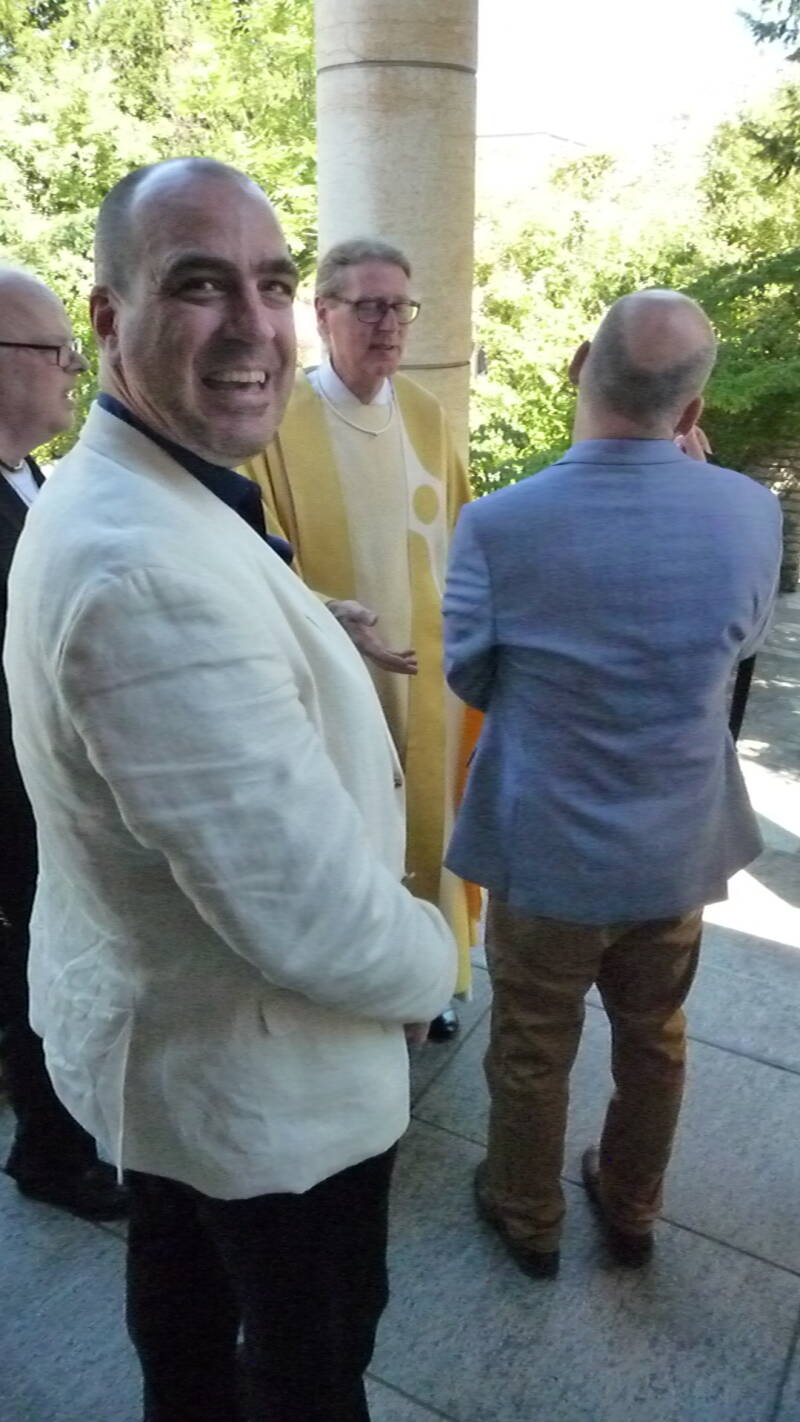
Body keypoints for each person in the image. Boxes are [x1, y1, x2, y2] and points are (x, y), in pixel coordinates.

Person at [4, 158, 456, 1422]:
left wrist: (304, 620)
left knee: (185, 1307)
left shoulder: (123, 487)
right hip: (263, 1088)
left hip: (173, 1056)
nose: (255, 325)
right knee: (311, 1353)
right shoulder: (138, 569)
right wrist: (435, 963)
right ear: (110, 316)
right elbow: (310, 919)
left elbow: (196, 624)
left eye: (271, 283)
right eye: (200, 285)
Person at [443, 289, 781, 1279]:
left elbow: (470, 675)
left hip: (545, 845)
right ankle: (631, 1208)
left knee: (531, 1042)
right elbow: (739, 645)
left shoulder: (498, 524)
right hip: (674, 846)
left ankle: (526, 1213)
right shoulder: (750, 512)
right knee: (654, 1033)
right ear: (693, 407)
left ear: (580, 365)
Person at [242, 238, 478, 1039]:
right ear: (323, 314)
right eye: (370, 306)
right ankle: (364, 990)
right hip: (338, 668)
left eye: (400, 307)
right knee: (358, 830)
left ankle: (432, 981)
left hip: (430, 672)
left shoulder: (426, 414)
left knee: (430, 830)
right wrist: (333, 616)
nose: (390, 325)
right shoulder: (279, 422)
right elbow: (257, 552)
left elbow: (461, 535)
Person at [0, 268, 127, 1221]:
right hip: (13, 805)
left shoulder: (34, 476)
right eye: (57, 351)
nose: (74, 369)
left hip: (49, 789)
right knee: (32, 969)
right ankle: (50, 1154)